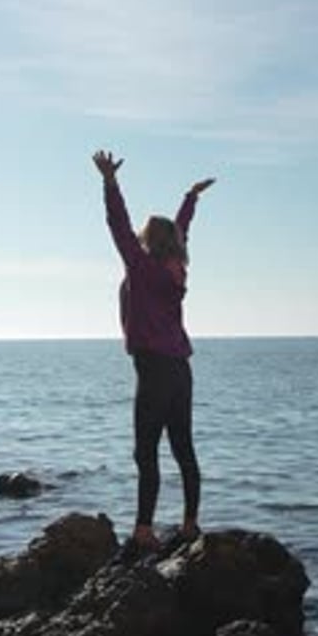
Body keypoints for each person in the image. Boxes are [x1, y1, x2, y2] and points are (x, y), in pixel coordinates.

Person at [92, 149, 215, 550]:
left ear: (148, 240)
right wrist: (190, 198)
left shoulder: (141, 266)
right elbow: (181, 230)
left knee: (145, 451)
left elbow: (118, 224)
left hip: (154, 370)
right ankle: (190, 525)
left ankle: (143, 530)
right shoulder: (175, 265)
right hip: (180, 370)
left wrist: (110, 182)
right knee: (183, 449)